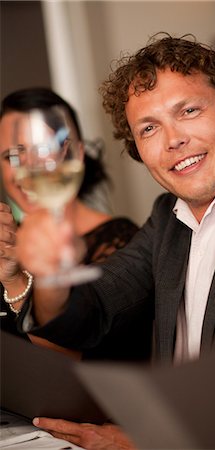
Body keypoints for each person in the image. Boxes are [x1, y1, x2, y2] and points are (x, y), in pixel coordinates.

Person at [13, 33, 215, 448]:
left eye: (188, 110)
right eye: (149, 128)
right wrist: (50, 275)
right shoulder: (168, 218)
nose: (173, 140)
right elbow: (91, 311)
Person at [0, 87, 153, 362]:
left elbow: (73, 364)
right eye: (12, 155)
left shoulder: (125, 242)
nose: (28, 166)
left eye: (42, 150)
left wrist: (14, 282)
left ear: (76, 154)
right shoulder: (7, 242)